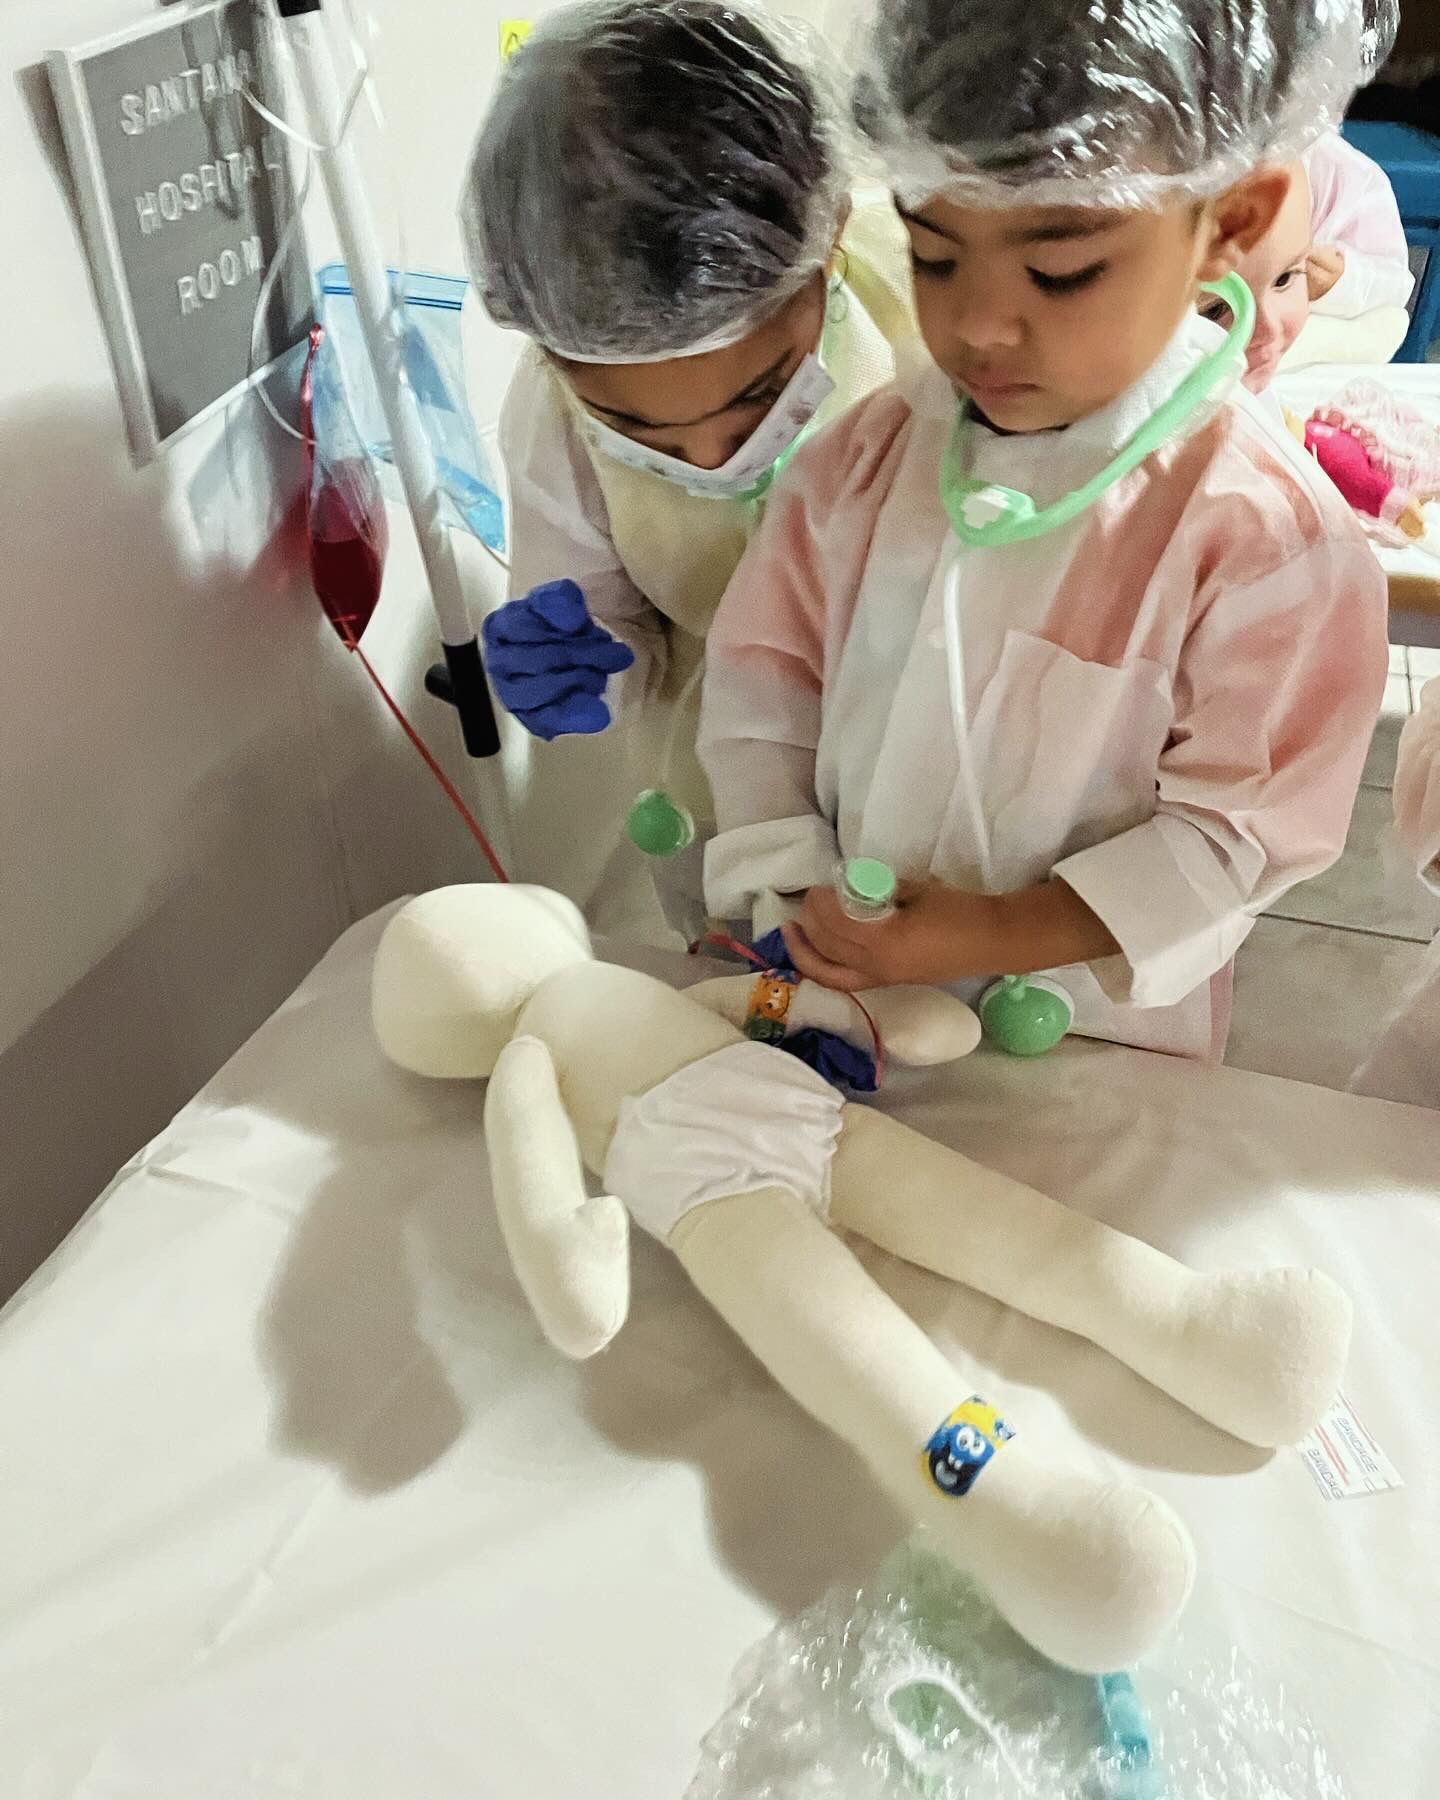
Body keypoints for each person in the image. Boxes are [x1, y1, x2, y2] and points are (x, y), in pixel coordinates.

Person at [698, 0, 1394, 1060]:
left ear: (1234, 223)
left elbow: (1240, 835)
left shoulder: (1262, 541)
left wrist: (997, 932)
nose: (979, 326)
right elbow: (763, 691)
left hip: (1089, 1042)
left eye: (1061, 271)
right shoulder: (863, 463)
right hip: (841, 996)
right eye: (935, 257)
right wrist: (794, 882)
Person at [459, 0, 915, 938]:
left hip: (929, 769)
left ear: (824, 243)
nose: (711, 460)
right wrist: (583, 655)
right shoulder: (553, 415)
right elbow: (600, 613)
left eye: (758, 396)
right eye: (636, 430)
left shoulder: (924, 312)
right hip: (717, 792)